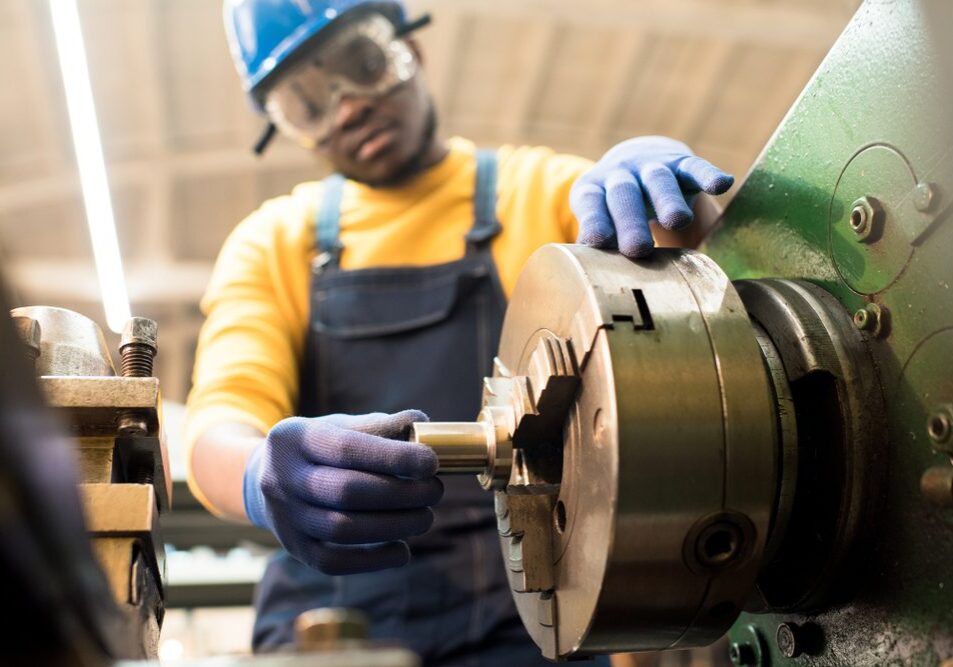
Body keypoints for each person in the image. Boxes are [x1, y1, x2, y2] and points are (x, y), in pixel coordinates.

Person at [186, 1, 734, 664]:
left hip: (536, 611)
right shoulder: (274, 243)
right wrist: (253, 472)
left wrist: (678, 206)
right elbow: (218, 422)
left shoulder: (535, 191)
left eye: (363, 64)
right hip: (335, 614)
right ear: (287, 128)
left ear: (410, 51)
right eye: (307, 102)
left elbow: (684, 297)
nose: (349, 107)